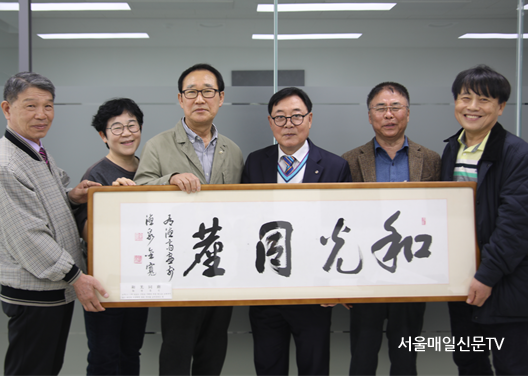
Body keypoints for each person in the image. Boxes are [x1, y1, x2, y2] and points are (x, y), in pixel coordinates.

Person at [0, 72, 107, 375]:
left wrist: (71, 197)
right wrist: (76, 277)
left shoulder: (34, 150)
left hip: (53, 290)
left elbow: (40, 207)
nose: (42, 114)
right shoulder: (4, 165)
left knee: (46, 368)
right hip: (34, 295)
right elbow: (28, 237)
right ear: (7, 109)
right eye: (30, 106)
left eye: (48, 106)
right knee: (31, 369)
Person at [134, 63, 244, 375]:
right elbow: (137, 194)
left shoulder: (233, 151)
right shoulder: (158, 145)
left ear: (220, 98)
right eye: (192, 92)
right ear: (180, 99)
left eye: (208, 91)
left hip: (221, 268)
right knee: (176, 351)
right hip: (177, 268)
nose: (200, 99)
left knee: (214, 349)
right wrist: (169, 179)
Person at [241, 87, 352, 375]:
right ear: (270, 122)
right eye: (280, 117)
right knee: (268, 366)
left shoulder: (335, 166)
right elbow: (244, 222)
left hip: (314, 291)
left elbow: (343, 230)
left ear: (310, 119)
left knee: (314, 367)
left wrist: (335, 283)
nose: (288, 124)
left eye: (296, 116)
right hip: (266, 290)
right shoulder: (255, 162)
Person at [341, 82, 441, 375]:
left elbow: (440, 217)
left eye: (395, 107)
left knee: (406, 359)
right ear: (369, 115)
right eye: (380, 108)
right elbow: (341, 222)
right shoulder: (349, 160)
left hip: (413, 275)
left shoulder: (431, 159)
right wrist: (342, 280)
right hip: (366, 277)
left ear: (407, 113)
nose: (388, 114)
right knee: (362, 357)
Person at [442, 65, 528, 375]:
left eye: (484, 100)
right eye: (465, 98)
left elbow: (517, 226)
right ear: (455, 102)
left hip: (503, 281)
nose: (472, 107)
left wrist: (487, 276)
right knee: (469, 361)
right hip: (463, 279)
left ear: (501, 106)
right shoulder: (452, 149)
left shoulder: (517, 154)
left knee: (510, 365)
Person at [74, 98, 149, 375]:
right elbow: (87, 234)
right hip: (104, 282)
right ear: (103, 136)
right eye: (116, 128)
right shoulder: (97, 174)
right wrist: (115, 201)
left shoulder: (149, 170)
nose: (126, 133)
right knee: (104, 356)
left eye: (132, 125)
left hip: (140, 279)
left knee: (131, 351)